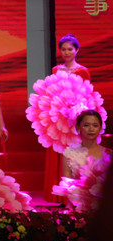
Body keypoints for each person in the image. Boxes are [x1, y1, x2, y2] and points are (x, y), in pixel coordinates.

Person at [44, 34, 91, 202]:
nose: (66, 52)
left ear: (76, 50)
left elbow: (87, 95)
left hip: (75, 119)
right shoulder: (56, 70)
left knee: (73, 154)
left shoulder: (83, 71)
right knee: (58, 153)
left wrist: (76, 112)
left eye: (70, 49)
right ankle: (59, 197)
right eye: (63, 49)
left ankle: (74, 197)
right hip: (58, 119)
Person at [61, 110, 111, 179]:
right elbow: (66, 182)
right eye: (86, 125)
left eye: (95, 125)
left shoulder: (109, 153)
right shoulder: (69, 154)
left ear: (100, 128)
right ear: (78, 127)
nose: (91, 129)